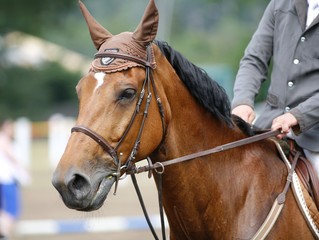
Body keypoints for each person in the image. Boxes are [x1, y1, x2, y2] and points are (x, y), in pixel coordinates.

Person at [231, 0, 319, 175]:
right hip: (268, 127)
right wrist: (243, 102)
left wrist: (297, 116)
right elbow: (254, 59)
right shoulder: (279, 4)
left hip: (315, 137)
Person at [0, 119, 30, 239]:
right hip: (7, 180)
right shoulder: (3, 139)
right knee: (12, 211)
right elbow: (11, 156)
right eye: (9, 127)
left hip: (5, 179)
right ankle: (4, 234)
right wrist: (23, 168)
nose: (11, 130)